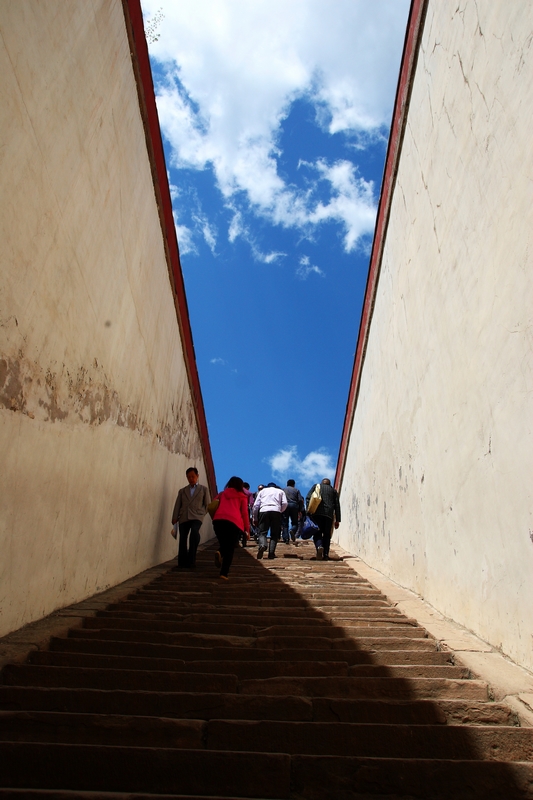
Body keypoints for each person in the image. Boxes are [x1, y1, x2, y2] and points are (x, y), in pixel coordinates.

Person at [212, 476, 250, 580]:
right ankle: (223, 573)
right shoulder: (242, 496)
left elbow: (213, 503)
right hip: (233, 523)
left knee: (224, 544)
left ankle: (220, 551)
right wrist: (247, 529)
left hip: (218, 521)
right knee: (230, 548)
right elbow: (244, 513)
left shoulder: (222, 493)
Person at [171, 467, 209, 568]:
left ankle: (191, 561)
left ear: (197, 476)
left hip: (197, 516)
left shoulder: (203, 489)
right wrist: (175, 517)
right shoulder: (182, 491)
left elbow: (207, 505)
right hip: (184, 517)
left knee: (194, 533)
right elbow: (177, 505)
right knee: (183, 539)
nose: (191, 479)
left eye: (193, 476)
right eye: (189, 477)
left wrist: (202, 514)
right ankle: (182, 562)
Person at [305, 477, 341, 561]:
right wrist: (337, 520)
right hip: (329, 515)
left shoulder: (316, 486)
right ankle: (325, 554)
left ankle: (319, 546)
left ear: (322, 483)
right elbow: (337, 506)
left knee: (317, 533)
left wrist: (308, 510)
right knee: (327, 535)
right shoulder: (333, 491)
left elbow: (308, 497)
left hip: (317, 513)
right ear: (329, 484)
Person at [252, 482, 288, 560]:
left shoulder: (262, 491)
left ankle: (263, 545)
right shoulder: (280, 491)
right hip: (276, 511)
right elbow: (285, 503)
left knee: (262, 532)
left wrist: (255, 518)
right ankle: (271, 553)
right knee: (274, 534)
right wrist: (280, 510)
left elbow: (255, 506)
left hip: (263, 510)